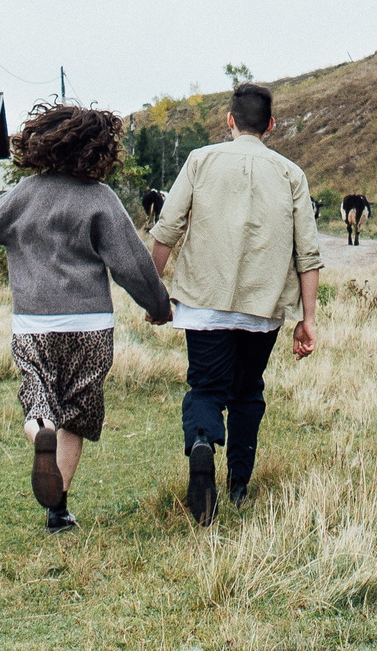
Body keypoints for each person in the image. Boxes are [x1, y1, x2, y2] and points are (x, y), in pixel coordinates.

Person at [0, 103, 171, 532]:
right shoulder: (101, 199)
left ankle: (39, 429)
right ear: (99, 149)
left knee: (39, 398)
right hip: (90, 325)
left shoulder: (23, 196)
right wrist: (159, 306)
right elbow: (132, 263)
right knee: (77, 412)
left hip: (35, 324)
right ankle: (58, 511)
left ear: (42, 140)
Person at [148, 80, 322, 524]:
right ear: (271, 125)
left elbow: (167, 229)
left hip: (203, 305)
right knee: (247, 393)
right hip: (261, 313)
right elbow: (308, 254)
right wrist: (308, 319)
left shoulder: (200, 161)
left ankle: (203, 442)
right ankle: (238, 486)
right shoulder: (290, 174)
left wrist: (153, 293)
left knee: (206, 388)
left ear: (230, 121)